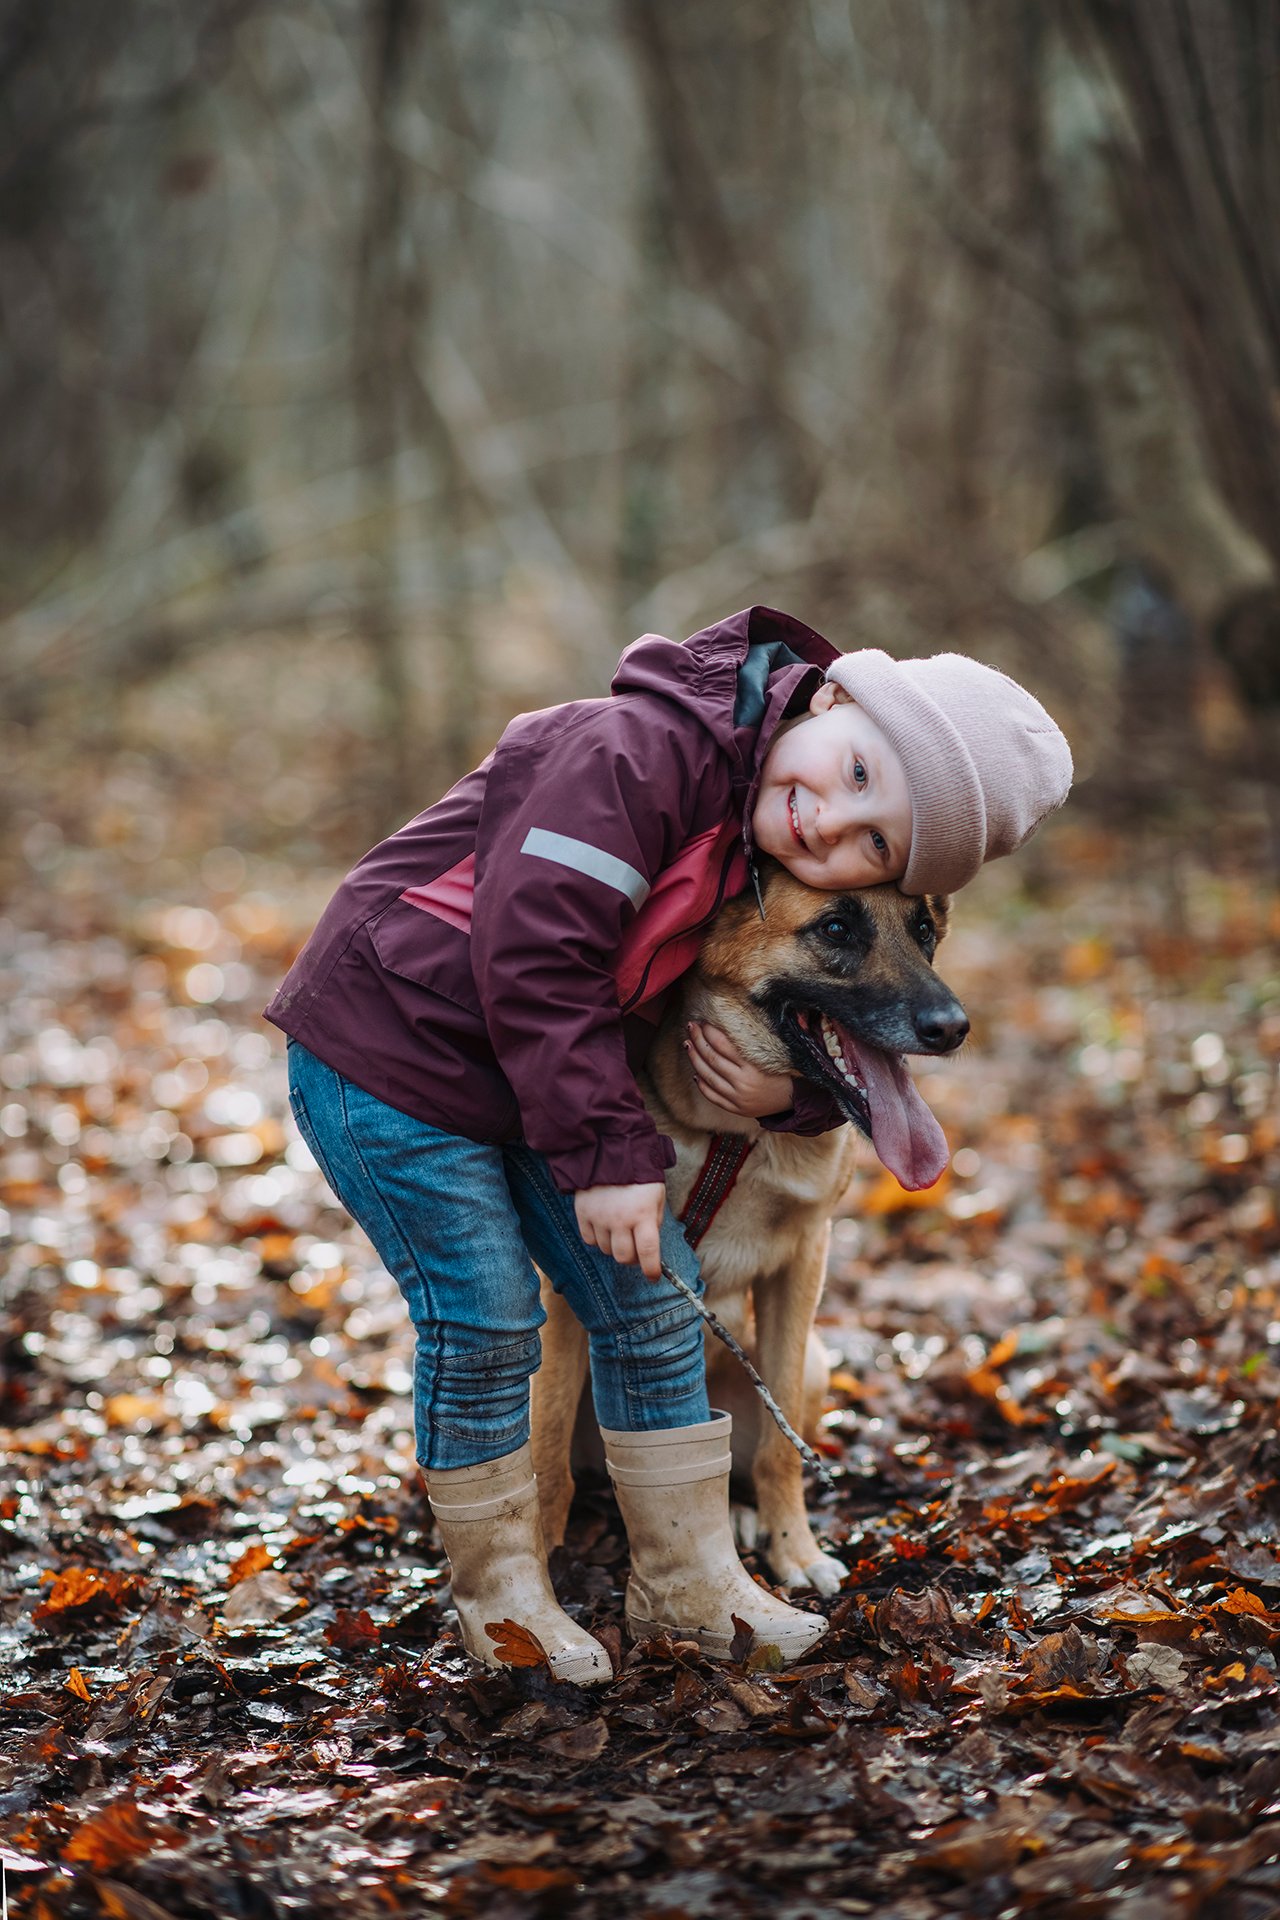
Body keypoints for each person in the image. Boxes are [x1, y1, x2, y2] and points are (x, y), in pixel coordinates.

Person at [267, 606, 1071, 1683]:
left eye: (874, 841)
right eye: (854, 774)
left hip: (515, 1080)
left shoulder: (758, 817)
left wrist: (791, 1105)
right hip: (388, 1054)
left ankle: (687, 1589)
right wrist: (608, 1163)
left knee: (653, 1297)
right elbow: (540, 964)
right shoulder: (630, 756)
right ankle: (503, 1595)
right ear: (831, 697)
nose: (831, 825)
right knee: (489, 1312)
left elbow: (731, 989)